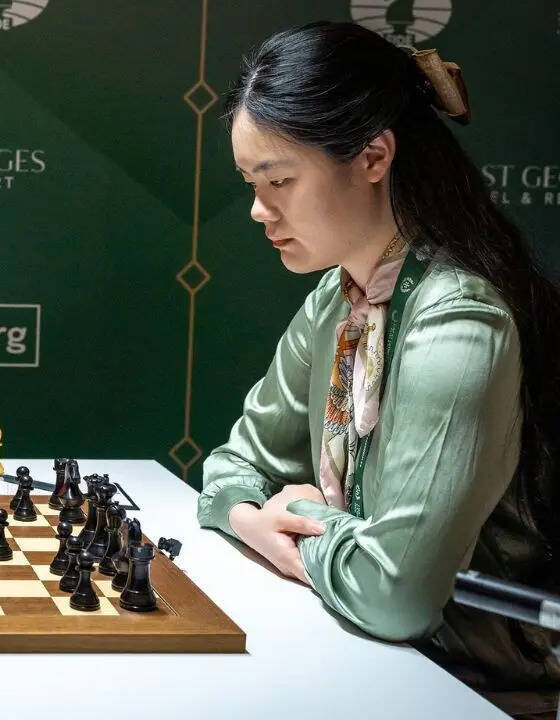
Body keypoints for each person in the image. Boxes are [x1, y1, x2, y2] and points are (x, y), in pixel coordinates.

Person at [196, 22, 560, 718]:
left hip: (471, 694)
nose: (259, 209)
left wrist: (293, 514)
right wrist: (248, 515)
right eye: (251, 183)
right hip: (367, 666)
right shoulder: (337, 301)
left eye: (280, 180)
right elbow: (231, 467)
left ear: (373, 157)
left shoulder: (458, 326)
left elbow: (398, 595)